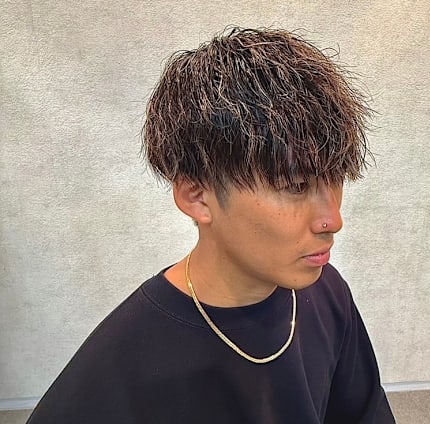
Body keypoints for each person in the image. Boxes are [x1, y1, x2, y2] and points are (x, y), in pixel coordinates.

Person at [27, 27, 395, 423]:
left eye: (336, 179)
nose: (333, 220)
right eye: (295, 186)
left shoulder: (327, 293)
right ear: (197, 196)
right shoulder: (125, 359)